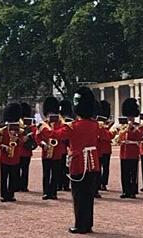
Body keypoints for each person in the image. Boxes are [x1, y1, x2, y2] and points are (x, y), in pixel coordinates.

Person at [39, 87, 100, 234]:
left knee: (78, 196)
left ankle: (80, 225)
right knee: (88, 196)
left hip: (79, 163)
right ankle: (88, 224)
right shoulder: (94, 124)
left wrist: (43, 128)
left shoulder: (73, 126)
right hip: (92, 162)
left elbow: (56, 135)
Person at [36, 96, 64, 200]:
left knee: (55, 173)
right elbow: (37, 137)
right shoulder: (42, 125)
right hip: (46, 151)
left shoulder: (61, 124)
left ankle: (53, 192)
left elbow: (63, 135)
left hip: (57, 152)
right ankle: (46, 192)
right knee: (46, 173)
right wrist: (43, 144)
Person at [0, 103, 24, 202]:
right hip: (4, 156)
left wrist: (17, 139)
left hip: (15, 157)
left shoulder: (19, 131)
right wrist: (4, 147)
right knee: (4, 177)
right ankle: (4, 195)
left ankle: (11, 194)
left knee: (13, 177)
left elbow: (22, 143)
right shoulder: (2, 131)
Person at [119, 98, 143, 199]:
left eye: (131, 117)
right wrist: (126, 130)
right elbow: (119, 137)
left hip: (133, 152)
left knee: (133, 173)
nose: (130, 119)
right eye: (129, 117)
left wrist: (132, 129)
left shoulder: (137, 127)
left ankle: (133, 191)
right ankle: (125, 191)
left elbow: (139, 137)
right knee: (124, 173)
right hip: (124, 152)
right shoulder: (122, 126)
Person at [97, 100, 115, 192]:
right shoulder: (98, 126)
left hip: (105, 149)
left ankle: (103, 183)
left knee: (105, 167)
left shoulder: (105, 126)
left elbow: (109, 136)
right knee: (99, 167)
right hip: (100, 149)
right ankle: (99, 183)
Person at [18, 102, 36, 192]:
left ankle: (23, 186)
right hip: (18, 148)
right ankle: (17, 185)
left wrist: (28, 136)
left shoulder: (30, 122)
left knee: (25, 169)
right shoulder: (17, 122)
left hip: (27, 149)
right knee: (17, 169)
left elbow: (35, 132)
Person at [59, 99, 74, 192]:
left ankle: (65, 184)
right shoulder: (59, 120)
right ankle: (60, 184)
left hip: (67, 147)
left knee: (67, 167)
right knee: (60, 167)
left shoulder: (70, 120)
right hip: (60, 147)